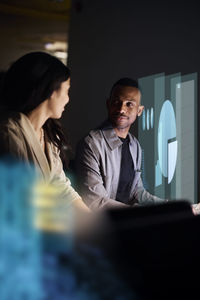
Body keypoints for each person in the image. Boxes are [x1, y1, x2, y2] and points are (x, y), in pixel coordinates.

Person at [0, 51, 90, 231]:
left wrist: (94, 222)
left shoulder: (48, 135)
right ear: (51, 90)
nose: (68, 99)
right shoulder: (8, 134)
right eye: (67, 90)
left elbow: (61, 188)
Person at [74, 77, 169, 211]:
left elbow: (137, 192)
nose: (121, 109)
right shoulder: (91, 143)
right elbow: (95, 201)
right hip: (102, 224)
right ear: (108, 104)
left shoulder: (135, 145)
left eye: (129, 104)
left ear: (139, 111)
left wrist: (170, 206)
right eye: (116, 102)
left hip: (128, 220)